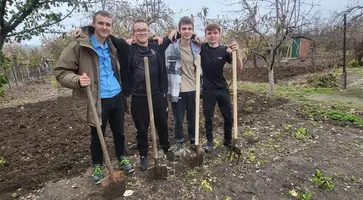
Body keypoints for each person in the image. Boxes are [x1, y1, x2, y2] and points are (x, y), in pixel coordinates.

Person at [54, 11, 133, 185]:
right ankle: (97, 166)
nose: (104, 27)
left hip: (117, 95)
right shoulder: (79, 46)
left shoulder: (111, 43)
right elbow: (60, 72)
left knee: (119, 132)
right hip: (97, 98)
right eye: (101, 23)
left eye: (108, 24)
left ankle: (122, 157)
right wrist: (77, 80)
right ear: (93, 24)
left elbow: (135, 40)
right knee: (97, 134)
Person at [128, 20, 175, 170]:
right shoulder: (129, 50)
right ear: (134, 34)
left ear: (148, 32)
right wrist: (82, 31)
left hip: (157, 95)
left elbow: (177, 33)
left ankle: (166, 148)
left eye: (144, 30)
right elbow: (108, 38)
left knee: (162, 123)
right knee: (141, 128)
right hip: (139, 97)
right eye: (138, 30)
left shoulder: (156, 47)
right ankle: (143, 154)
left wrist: (193, 36)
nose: (142, 32)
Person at [200, 23, 243, 153]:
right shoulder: (202, 48)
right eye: (209, 33)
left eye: (215, 33)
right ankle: (209, 142)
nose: (212, 36)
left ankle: (228, 141)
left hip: (222, 89)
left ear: (219, 35)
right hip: (208, 90)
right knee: (208, 118)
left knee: (228, 116)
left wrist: (237, 52)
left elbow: (239, 67)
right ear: (206, 35)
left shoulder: (225, 50)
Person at [165, 16, 201, 156]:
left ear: (193, 30)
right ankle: (179, 142)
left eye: (190, 29)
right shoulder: (171, 46)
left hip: (194, 88)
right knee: (179, 119)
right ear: (179, 30)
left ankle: (193, 141)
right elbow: (158, 42)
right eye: (184, 29)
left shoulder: (197, 46)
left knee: (193, 117)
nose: (187, 31)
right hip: (177, 89)